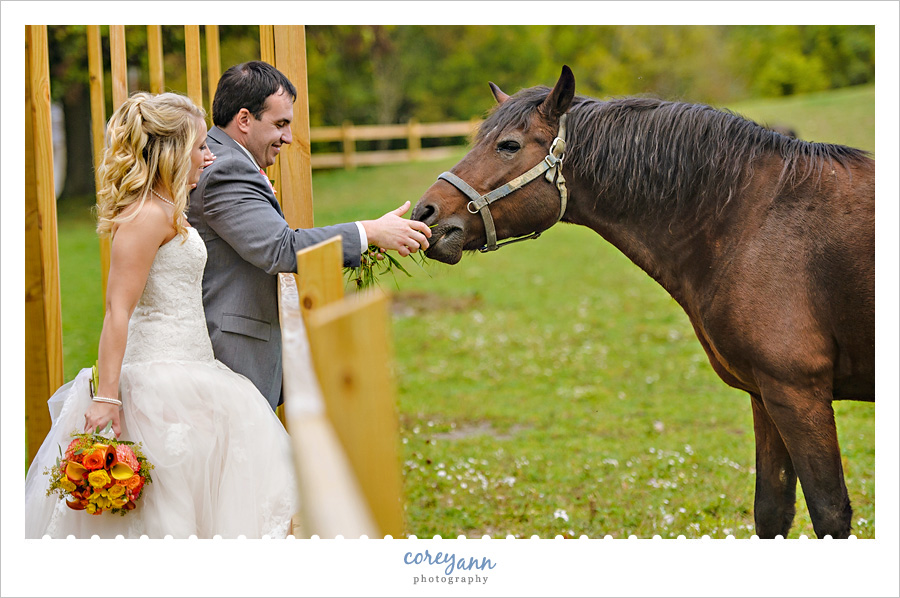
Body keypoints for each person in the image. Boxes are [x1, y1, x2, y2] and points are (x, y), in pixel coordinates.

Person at [24, 92, 298, 539]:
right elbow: (118, 310)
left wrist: (259, 189)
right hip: (157, 379)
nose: (208, 155)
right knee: (165, 512)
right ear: (173, 152)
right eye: (198, 147)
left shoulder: (171, 210)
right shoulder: (147, 216)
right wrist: (108, 397)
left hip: (195, 368)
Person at [188, 60, 432, 409]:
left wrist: (366, 240)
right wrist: (369, 232)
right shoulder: (226, 169)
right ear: (244, 120)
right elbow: (278, 247)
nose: (288, 137)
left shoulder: (225, 159)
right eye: (280, 124)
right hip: (233, 351)